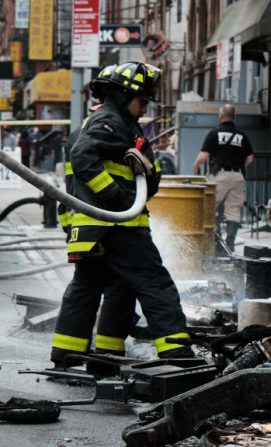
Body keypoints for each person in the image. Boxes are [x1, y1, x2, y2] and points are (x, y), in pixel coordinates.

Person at [50, 62, 193, 369]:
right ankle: (178, 355)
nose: (144, 108)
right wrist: (117, 199)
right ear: (122, 94)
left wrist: (145, 171)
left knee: (96, 285)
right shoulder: (111, 120)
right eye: (142, 100)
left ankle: (76, 353)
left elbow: (142, 180)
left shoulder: (103, 122)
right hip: (118, 224)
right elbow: (83, 158)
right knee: (155, 283)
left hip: (96, 226)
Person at [192, 104, 254, 251]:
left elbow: (204, 155)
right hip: (238, 176)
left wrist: (196, 167)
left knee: (210, 207)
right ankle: (230, 243)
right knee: (234, 210)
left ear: (220, 116)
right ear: (234, 117)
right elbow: (250, 158)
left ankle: (217, 241)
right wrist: (240, 166)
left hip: (220, 176)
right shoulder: (242, 135)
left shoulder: (214, 133)